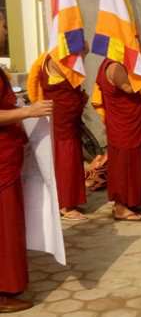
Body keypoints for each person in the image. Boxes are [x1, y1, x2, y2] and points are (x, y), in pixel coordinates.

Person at [0, 66, 53, 313]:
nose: (4, 30)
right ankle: (4, 292)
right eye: (2, 25)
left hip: (8, 156)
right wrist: (28, 111)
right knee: (5, 227)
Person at [28, 51, 88, 219]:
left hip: (67, 117)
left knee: (70, 154)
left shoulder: (56, 56)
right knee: (65, 156)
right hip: (62, 117)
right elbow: (73, 75)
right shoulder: (56, 59)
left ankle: (68, 200)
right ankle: (66, 205)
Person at [95, 56, 141, 221]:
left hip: (131, 124)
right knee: (124, 164)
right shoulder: (115, 66)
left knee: (134, 162)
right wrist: (139, 64)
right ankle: (120, 207)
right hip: (124, 126)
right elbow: (130, 88)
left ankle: (130, 201)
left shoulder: (120, 63)